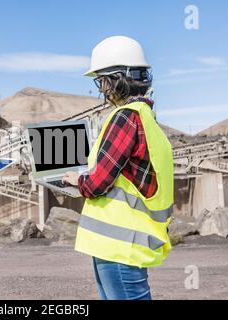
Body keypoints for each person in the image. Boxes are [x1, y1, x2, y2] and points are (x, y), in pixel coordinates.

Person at [62, 36, 174, 300]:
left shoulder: (125, 117)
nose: (101, 88)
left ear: (116, 79)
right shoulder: (147, 118)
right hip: (126, 243)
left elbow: (97, 183)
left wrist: (77, 181)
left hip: (120, 246)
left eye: (102, 80)